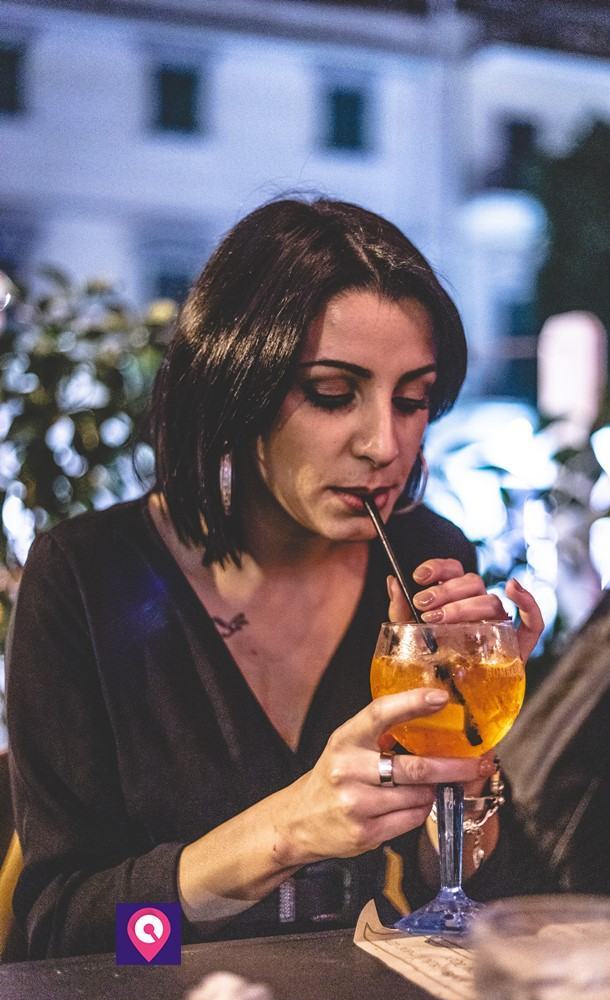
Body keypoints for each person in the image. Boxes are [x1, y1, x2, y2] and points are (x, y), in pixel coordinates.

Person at [7, 197, 545, 960]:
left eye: (412, 399)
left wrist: (467, 759)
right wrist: (282, 832)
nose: (384, 443)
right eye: (332, 394)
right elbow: (64, 938)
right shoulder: (86, 578)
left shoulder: (424, 557)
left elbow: (485, 910)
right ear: (237, 390)